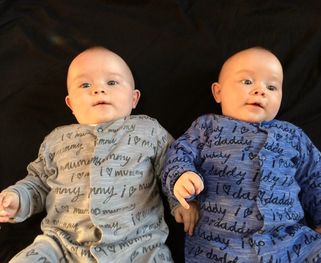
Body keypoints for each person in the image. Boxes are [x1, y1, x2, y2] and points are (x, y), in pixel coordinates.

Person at [0, 46, 196, 263]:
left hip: (138, 245)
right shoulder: (56, 139)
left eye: (111, 82)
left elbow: (173, 164)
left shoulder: (147, 129)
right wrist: (17, 198)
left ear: (134, 98)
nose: (98, 90)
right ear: (71, 104)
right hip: (63, 245)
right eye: (85, 85)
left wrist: (181, 201)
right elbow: (37, 182)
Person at [161, 47, 321, 262]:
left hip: (289, 240)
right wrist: (181, 178)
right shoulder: (206, 127)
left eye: (272, 87)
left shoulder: (292, 135)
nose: (261, 91)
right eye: (247, 82)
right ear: (218, 92)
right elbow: (178, 154)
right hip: (220, 241)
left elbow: (316, 175)